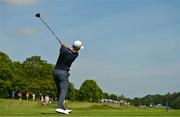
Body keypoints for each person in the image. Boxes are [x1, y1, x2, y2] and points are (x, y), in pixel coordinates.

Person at [53, 40, 83, 114]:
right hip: (63, 73)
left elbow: (65, 49)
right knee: (64, 90)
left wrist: (63, 45)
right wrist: (64, 46)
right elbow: (71, 51)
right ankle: (59, 107)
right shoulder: (75, 55)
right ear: (77, 48)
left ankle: (62, 108)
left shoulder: (63, 50)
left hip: (55, 71)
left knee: (60, 90)